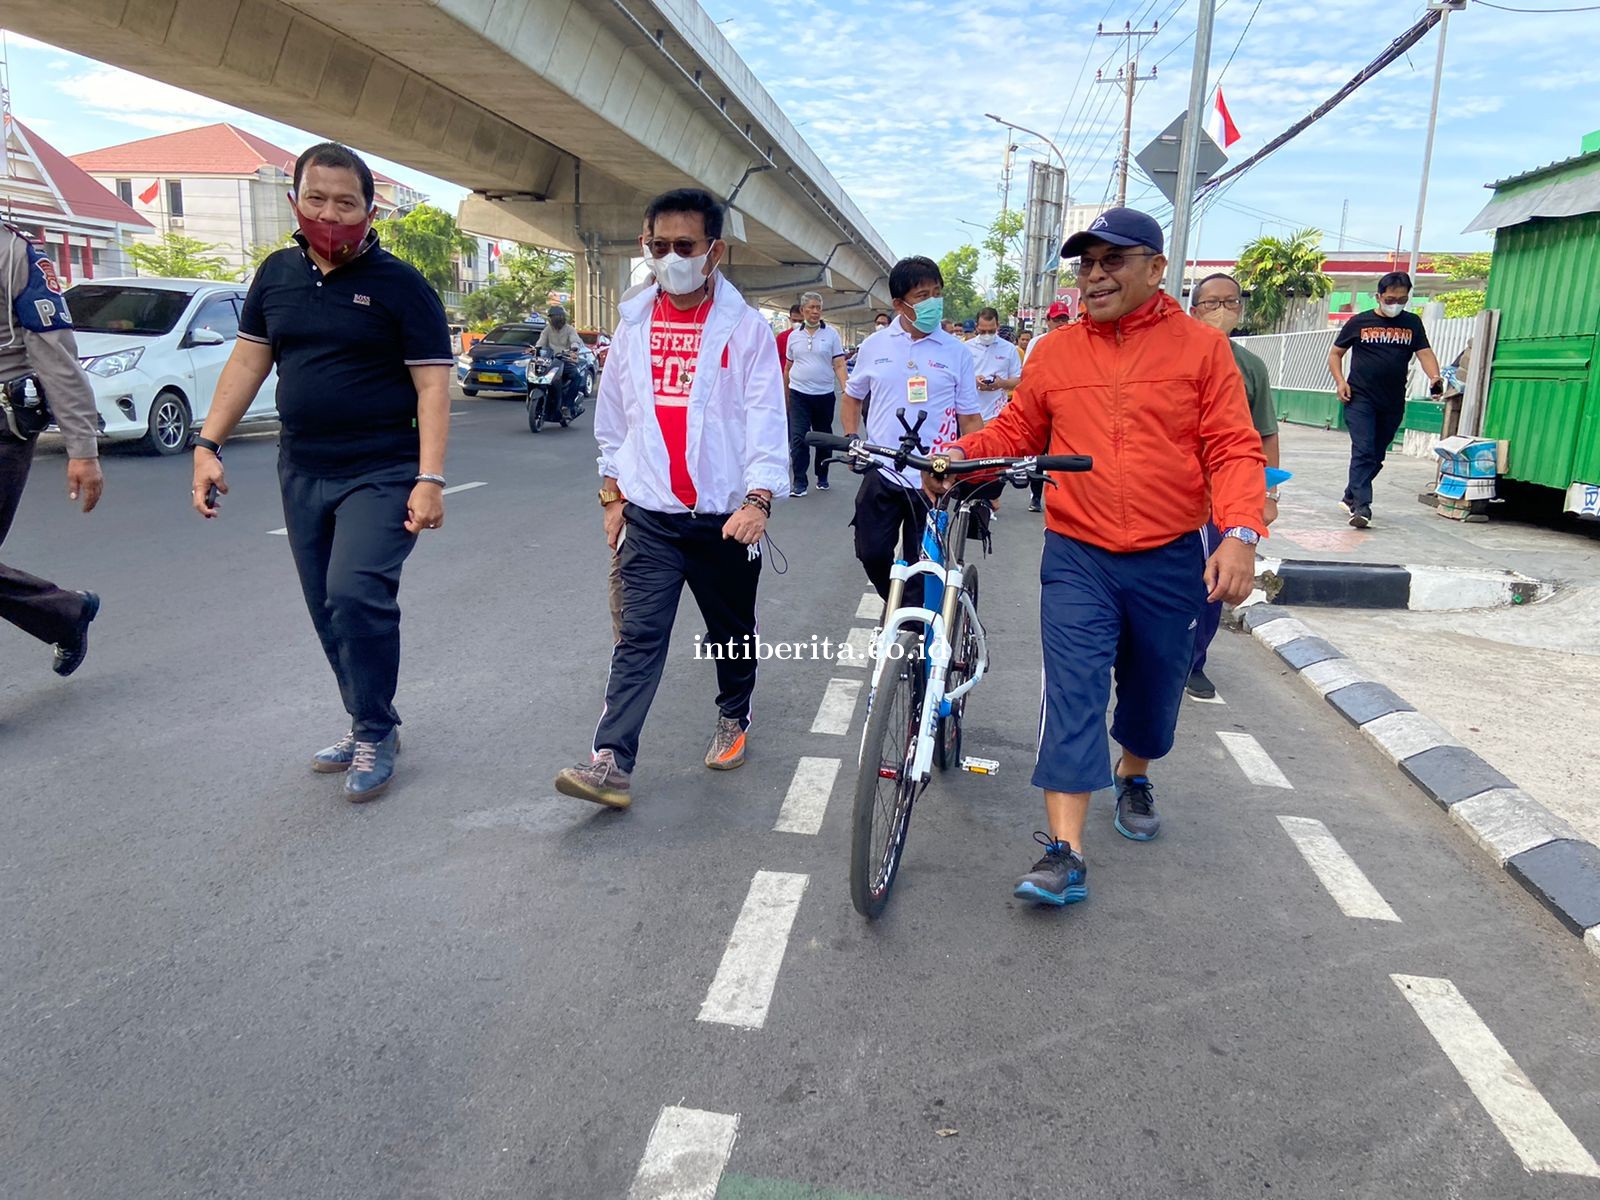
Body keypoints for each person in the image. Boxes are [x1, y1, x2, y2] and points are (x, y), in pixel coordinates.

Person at [942, 207, 1265, 909]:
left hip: (1171, 553)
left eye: (1112, 261)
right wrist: (959, 458)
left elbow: (1235, 447)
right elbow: (1019, 428)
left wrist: (1239, 532)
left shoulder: (1202, 352)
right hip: (1078, 554)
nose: (1094, 275)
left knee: (1153, 690)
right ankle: (1065, 852)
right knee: (1074, 689)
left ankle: (1135, 770)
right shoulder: (1054, 353)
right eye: (1086, 264)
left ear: (1155, 268)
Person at [191, 142, 453, 802]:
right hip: (301, 467)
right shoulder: (276, 275)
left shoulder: (402, 286)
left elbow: (431, 387)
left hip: (383, 469)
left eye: (346, 202)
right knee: (325, 609)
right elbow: (248, 364)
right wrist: (208, 444)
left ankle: (374, 731)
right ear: (295, 201)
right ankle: (372, 718)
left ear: (371, 211)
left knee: (355, 592)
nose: (329, 214)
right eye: (317, 199)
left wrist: (430, 478)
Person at [554, 188, 787, 810]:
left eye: (685, 246)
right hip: (651, 518)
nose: (672, 257)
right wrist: (612, 497)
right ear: (644, 247)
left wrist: (759, 501)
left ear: (715, 252)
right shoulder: (632, 324)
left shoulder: (745, 330)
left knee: (729, 635)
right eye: (660, 246)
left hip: (725, 521)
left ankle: (734, 715)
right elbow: (614, 422)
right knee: (638, 637)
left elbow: (766, 420)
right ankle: (611, 760)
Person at [842, 256, 982, 609]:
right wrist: (850, 439)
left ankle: (917, 639)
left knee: (925, 567)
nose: (933, 301)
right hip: (883, 468)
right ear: (899, 304)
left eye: (937, 293)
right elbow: (852, 396)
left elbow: (969, 418)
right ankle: (901, 609)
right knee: (871, 552)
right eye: (922, 295)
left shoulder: (956, 352)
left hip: (934, 475)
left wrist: (980, 471)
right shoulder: (876, 346)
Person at [0, 223, 104, 676]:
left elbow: (56, 356)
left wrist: (82, 447)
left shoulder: (15, 254)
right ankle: (64, 612)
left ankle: (64, 613)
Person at [1186, 273, 1280, 700]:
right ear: (1194, 309)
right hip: (1176, 489)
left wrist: (1267, 497)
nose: (1221, 311)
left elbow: (1265, 435)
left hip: (1225, 495)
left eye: (1230, 302)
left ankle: (1194, 662)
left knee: (1216, 580)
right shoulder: (1176, 357)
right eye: (1211, 303)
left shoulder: (1250, 367)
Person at [1328, 271, 1443, 529]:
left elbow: (1425, 353)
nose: (1395, 304)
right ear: (1379, 296)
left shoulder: (1412, 323)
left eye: (1401, 299)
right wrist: (1340, 381)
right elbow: (1335, 353)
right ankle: (1362, 506)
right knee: (1364, 449)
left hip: (1391, 400)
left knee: (1377, 455)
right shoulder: (1360, 322)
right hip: (1359, 398)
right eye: (1390, 298)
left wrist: (1434, 377)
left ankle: (1350, 495)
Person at [785, 290, 847, 496]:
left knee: (823, 437)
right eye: (811, 307)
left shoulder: (831, 334)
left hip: (824, 395)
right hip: (799, 394)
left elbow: (839, 364)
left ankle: (822, 476)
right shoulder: (794, 337)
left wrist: (847, 389)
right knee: (798, 439)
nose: (815, 311)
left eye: (818, 308)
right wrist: (785, 396)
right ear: (802, 310)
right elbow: (788, 367)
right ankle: (800, 483)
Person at [1022, 300, 1077, 512]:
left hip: (1067, 409)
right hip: (1043, 406)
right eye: (1057, 320)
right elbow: (1028, 376)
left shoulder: (1076, 341)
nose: (1061, 323)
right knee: (1040, 455)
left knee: (1062, 455)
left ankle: (1063, 498)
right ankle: (1036, 496)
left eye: (1064, 319)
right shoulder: (1038, 343)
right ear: (1048, 321)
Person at [967, 307, 1023, 422]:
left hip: (998, 416)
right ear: (976, 326)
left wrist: (1001, 383)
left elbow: (1018, 381)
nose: (987, 335)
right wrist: (973, 381)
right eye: (983, 331)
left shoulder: (1009, 349)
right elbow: (956, 378)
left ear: (998, 325)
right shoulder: (965, 348)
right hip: (971, 414)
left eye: (991, 331)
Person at [535, 304, 584, 412]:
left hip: (565, 360)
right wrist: (537, 349)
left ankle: (568, 405)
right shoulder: (547, 330)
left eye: (558, 316)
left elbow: (574, 340)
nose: (556, 319)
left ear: (563, 317)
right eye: (553, 317)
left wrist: (574, 347)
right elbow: (541, 341)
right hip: (549, 360)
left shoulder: (570, 329)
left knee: (577, 377)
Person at [775, 302, 803, 371]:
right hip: (785, 378)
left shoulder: (811, 337)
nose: (797, 323)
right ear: (790, 319)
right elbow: (774, 359)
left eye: (801, 321)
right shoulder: (781, 338)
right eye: (794, 320)